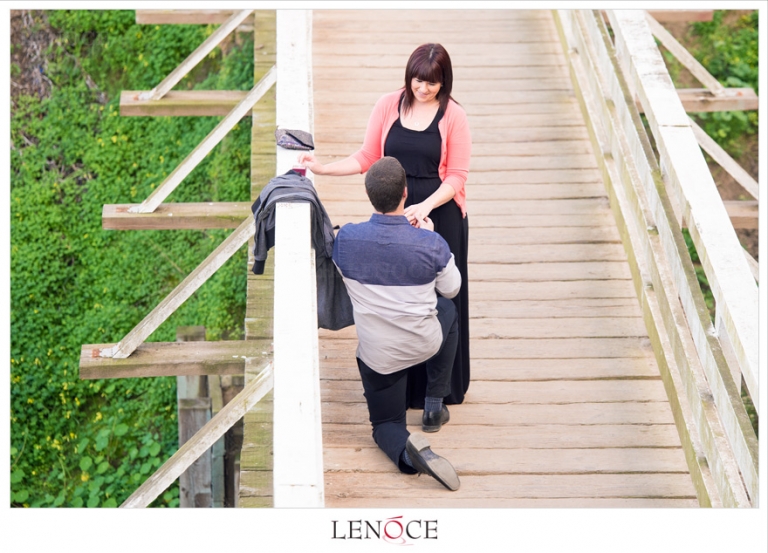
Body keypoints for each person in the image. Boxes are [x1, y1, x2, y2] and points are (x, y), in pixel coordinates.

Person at [299, 43, 472, 409]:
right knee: (401, 294)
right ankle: (405, 386)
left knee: (441, 298)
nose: (422, 89)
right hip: (396, 210)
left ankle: (437, 392)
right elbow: (367, 157)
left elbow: (457, 176)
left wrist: (423, 206)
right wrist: (323, 168)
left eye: (432, 83)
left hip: (437, 213)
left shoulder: (454, 115)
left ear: (444, 82)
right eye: (417, 81)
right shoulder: (388, 105)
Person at [332, 157, 461, 491]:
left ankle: (409, 456)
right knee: (447, 310)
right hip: (423, 342)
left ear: (368, 194)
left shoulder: (346, 240)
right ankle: (434, 403)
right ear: (406, 194)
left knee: (385, 425)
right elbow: (452, 288)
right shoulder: (430, 244)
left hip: (380, 356)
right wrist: (432, 237)